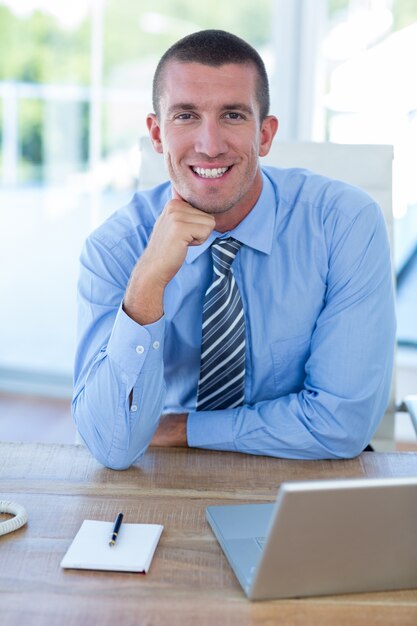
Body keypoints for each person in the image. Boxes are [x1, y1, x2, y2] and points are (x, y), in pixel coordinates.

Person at [72, 29, 396, 470]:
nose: (210, 144)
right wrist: (146, 285)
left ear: (264, 134)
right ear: (156, 133)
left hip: (308, 470)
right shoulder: (115, 249)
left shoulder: (345, 223)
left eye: (233, 116)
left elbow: (340, 425)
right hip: (168, 475)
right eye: (186, 116)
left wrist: (183, 429)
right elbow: (112, 445)